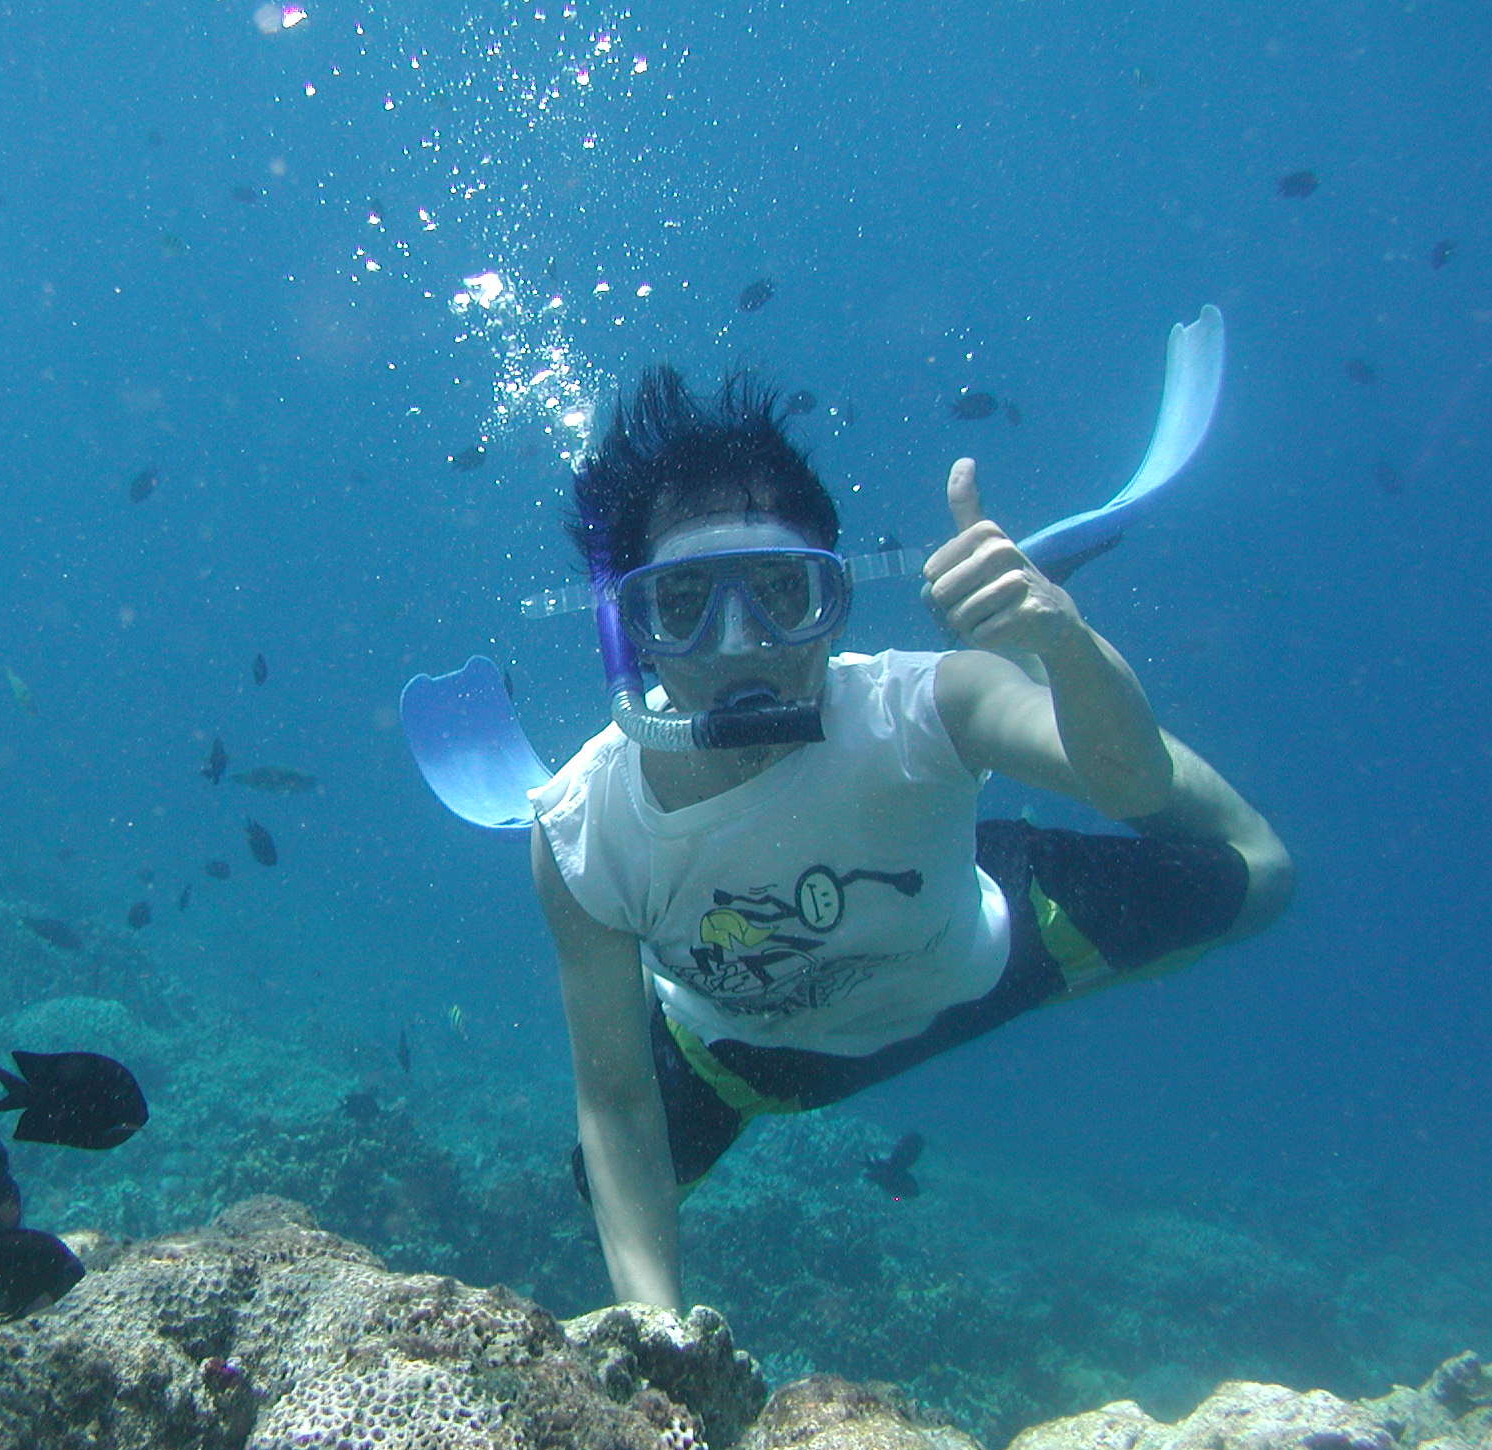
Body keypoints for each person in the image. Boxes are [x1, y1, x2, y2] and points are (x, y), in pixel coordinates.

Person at [530, 366, 1293, 1311]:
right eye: (684, 605)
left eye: (781, 593)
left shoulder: (930, 703)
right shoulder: (580, 830)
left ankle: (1043, 647)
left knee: (1266, 877)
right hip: (742, 1064)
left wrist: (1062, 646)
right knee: (599, 1186)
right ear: (631, 634)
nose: (741, 645)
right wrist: (657, 1337)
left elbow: (1134, 785)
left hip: (991, 956)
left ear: (836, 600)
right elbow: (616, 1106)